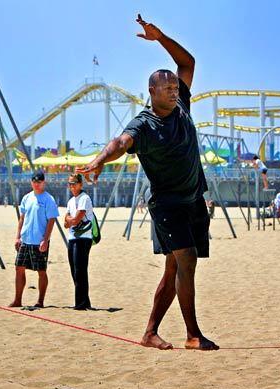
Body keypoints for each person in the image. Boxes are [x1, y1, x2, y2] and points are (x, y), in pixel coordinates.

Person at [77, 14, 218, 351]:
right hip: (167, 204)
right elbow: (120, 143)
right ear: (151, 92)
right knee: (186, 261)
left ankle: (150, 332)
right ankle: (193, 334)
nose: (174, 92)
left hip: (193, 199)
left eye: (175, 88)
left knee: (174, 269)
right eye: (167, 89)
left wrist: (161, 37)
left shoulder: (181, 106)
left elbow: (188, 62)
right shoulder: (144, 124)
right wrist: (98, 160)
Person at [9, 171, 59, 308]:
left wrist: (45, 240)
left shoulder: (49, 199)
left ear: (44, 182)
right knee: (19, 268)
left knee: (41, 271)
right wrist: (17, 237)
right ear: (31, 182)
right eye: (34, 182)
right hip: (25, 240)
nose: (36, 184)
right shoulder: (26, 198)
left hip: (39, 241)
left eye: (39, 182)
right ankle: (17, 300)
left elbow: (51, 220)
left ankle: (40, 301)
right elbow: (22, 218)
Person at [64, 173, 94, 310]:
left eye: (74, 183)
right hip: (72, 238)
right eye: (70, 184)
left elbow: (75, 220)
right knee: (74, 270)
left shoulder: (84, 198)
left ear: (80, 184)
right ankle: (84, 301)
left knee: (80, 270)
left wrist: (71, 220)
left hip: (83, 238)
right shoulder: (71, 201)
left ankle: (81, 303)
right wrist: (71, 220)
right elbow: (66, 222)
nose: (71, 186)